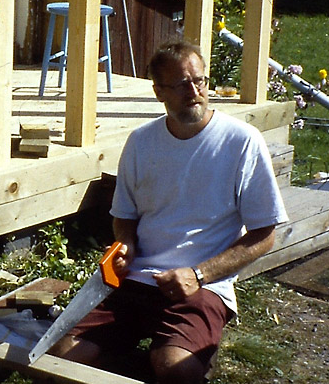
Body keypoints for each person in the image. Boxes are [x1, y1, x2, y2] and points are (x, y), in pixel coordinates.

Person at [52, 42, 289, 383]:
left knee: (173, 367)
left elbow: (265, 235)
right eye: (181, 85)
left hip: (203, 287)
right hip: (137, 279)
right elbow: (124, 215)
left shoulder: (241, 142)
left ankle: (171, 353)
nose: (194, 92)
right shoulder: (141, 142)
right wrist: (126, 243)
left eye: (200, 81)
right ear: (159, 92)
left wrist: (200, 274)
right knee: (64, 357)